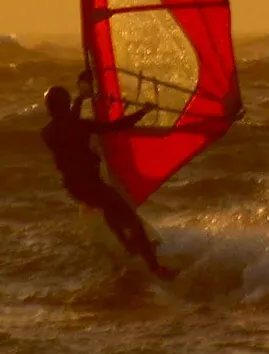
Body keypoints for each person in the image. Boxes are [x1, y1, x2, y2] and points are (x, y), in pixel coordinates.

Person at [39, 84, 176, 278]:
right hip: (91, 186)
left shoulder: (48, 133)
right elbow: (115, 126)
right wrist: (143, 112)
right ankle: (155, 268)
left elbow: (70, 123)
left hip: (76, 189)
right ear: (65, 105)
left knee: (110, 210)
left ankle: (128, 246)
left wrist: (80, 100)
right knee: (131, 220)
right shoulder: (79, 126)